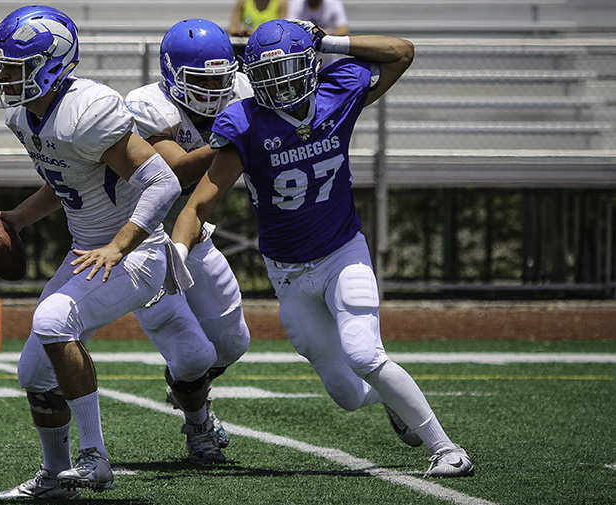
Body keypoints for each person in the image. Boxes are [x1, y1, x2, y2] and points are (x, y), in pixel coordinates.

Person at [172, 19, 475, 478]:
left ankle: (447, 448)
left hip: (342, 252)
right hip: (288, 275)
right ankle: (394, 400)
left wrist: (329, 39)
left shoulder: (338, 93)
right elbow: (199, 204)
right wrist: (177, 252)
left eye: (291, 69)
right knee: (347, 393)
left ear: (312, 64)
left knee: (364, 355)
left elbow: (402, 51)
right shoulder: (245, 121)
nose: (280, 83)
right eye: (268, 75)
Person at [0, 5, 219, 499]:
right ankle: (55, 478)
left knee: (51, 322)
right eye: (1, 63)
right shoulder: (24, 115)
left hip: (138, 254)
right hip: (89, 251)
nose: (3, 75)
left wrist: (119, 244)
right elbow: (65, 180)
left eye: (13, 65)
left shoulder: (88, 110)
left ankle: (95, 460)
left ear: (51, 64)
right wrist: (18, 218)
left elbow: (161, 180)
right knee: (33, 373)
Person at [124, 18, 253, 458]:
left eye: (222, 76)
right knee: (195, 356)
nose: (217, 87)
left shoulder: (241, 93)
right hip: (142, 242)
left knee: (234, 343)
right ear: (172, 75)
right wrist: (236, 138)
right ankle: (199, 428)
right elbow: (176, 170)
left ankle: (184, 385)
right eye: (203, 79)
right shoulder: (149, 106)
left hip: (195, 234)